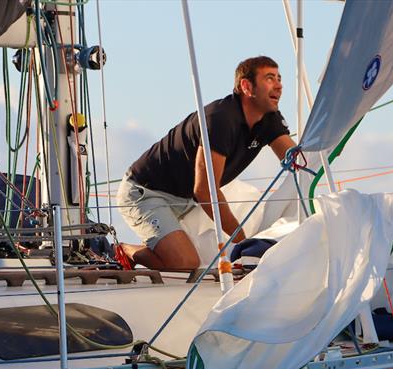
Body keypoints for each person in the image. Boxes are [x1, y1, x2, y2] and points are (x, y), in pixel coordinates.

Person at [116, 56, 296, 270]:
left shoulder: (269, 119)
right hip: (145, 193)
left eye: (279, 78)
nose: (279, 85)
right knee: (185, 263)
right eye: (269, 78)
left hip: (188, 200)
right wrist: (243, 244)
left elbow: (298, 162)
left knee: (204, 259)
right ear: (247, 86)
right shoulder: (220, 119)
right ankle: (126, 251)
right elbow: (204, 191)